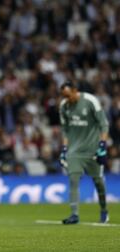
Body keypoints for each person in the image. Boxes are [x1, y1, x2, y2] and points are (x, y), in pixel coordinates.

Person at [59, 81, 109, 224]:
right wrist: (64, 149)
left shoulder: (91, 101)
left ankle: (104, 209)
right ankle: (74, 214)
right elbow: (65, 130)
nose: (67, 99)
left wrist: (102, 145)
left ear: (75, 90)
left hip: (93, 149)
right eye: (64, 96)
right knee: (73, 180)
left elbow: (104, 124)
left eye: (69, 96)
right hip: (74, 151)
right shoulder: (64, 106)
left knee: (98, 182)